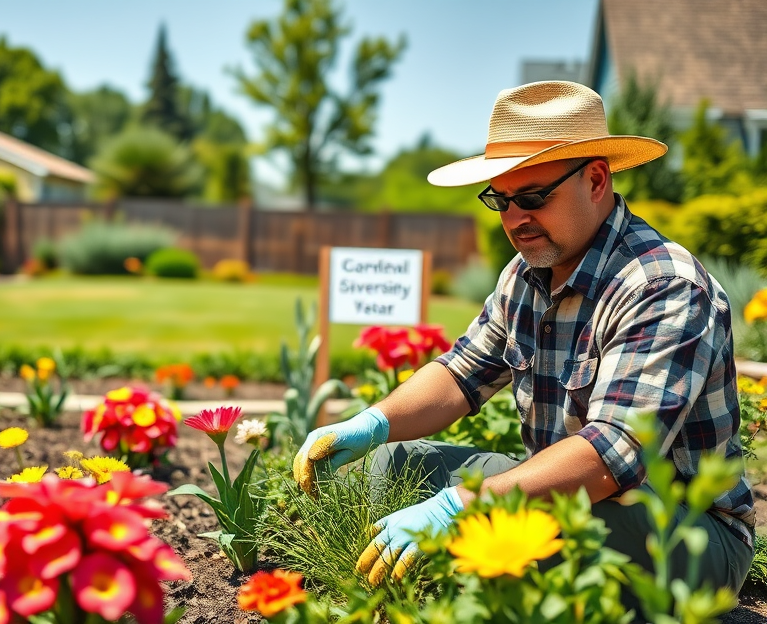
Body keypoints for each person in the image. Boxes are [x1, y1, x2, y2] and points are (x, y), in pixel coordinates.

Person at [292, 81, 755, 593]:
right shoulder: (528, 271)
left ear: (596, 179)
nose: (514, 219)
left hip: (682, 534)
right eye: (501, 199)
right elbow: (460, 375)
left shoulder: (662, 286)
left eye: (533, 197)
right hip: (575, 495)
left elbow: (612, 454)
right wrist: (373, 423)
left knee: (493, 550)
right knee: (388, 465)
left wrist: (460, 506)